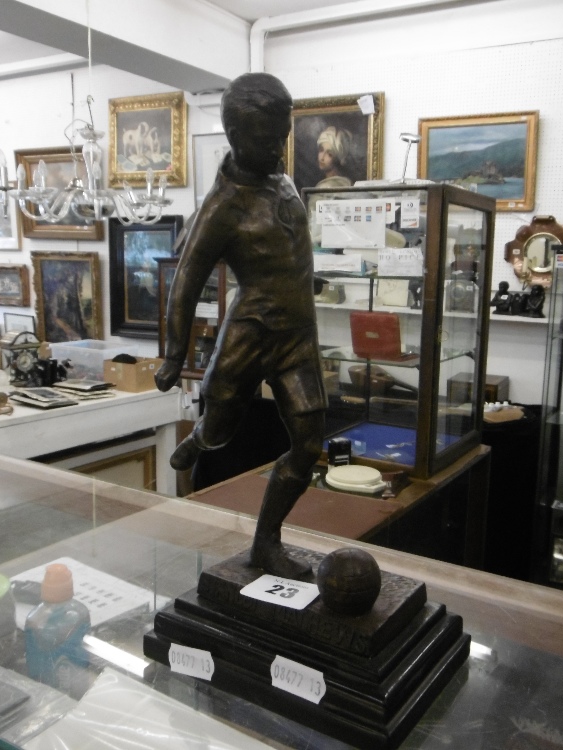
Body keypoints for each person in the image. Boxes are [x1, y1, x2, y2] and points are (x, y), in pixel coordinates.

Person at [155, 72, 325, 580]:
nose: (276, 148)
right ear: (234, 136)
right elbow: (185, 283)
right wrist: (172, 355)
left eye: (282, 136)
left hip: (298, 337)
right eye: (264, 139)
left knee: (310, 444)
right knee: (222, 430)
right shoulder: (222, 207)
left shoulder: (282, 179)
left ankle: (267, 542)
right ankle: (202, 436)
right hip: (249, 335)